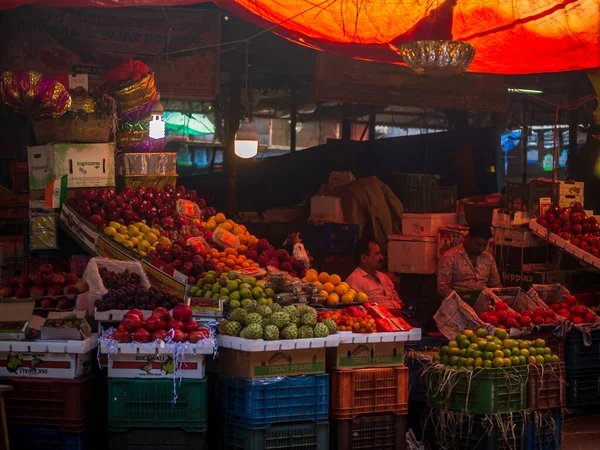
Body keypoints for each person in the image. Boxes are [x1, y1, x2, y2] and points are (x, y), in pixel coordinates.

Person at [437, 225, 501, 299]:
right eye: (477, 244)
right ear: (467, 237)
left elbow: (496, 286)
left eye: (484, 245)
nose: (481, 248)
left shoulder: (489, 258)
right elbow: (443, 289)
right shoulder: (450, 257)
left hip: (483, 304)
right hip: (455, 305)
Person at [346, 238, 403, 311]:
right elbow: (358, 310)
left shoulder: (383, 277)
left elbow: (397, 300)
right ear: (364, 258)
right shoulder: (354, 281)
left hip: (400, 315)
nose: (381, 257)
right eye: (377, 254)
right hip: (380, 319)